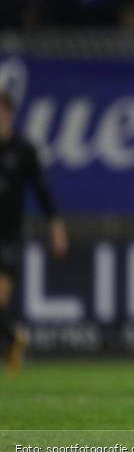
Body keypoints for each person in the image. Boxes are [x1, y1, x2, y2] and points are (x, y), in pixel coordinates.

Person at [0, 92, 68, 374]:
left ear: (8, 113)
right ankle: (13, 339)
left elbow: (41, 190)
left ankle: (13, 339)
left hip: (8, 236)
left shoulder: (23, 149)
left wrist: (55, 225)